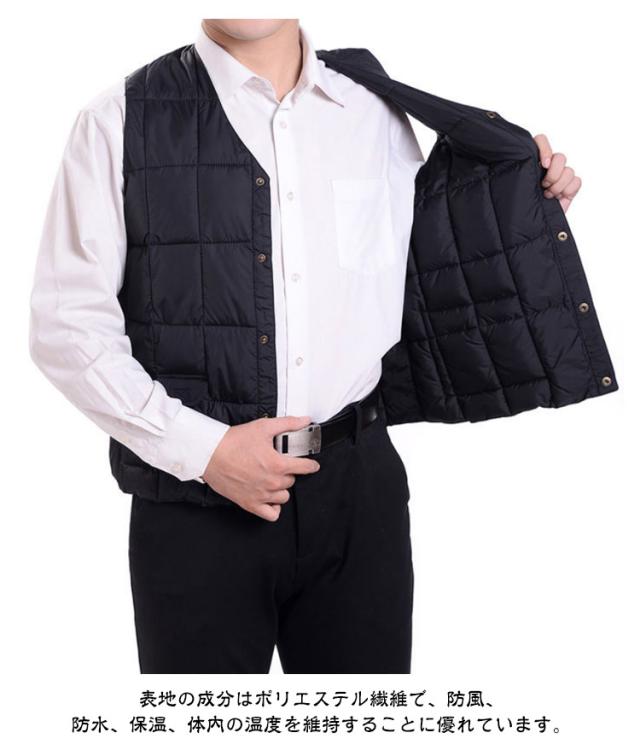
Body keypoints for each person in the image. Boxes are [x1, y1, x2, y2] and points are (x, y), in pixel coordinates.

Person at [28, 18, 583, 673]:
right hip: (195, 504)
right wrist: (205, 451)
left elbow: (424, 256)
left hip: (359, 490)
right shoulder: (116, 120)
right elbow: (66, 325)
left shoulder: (372, 108)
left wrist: (522, 199)